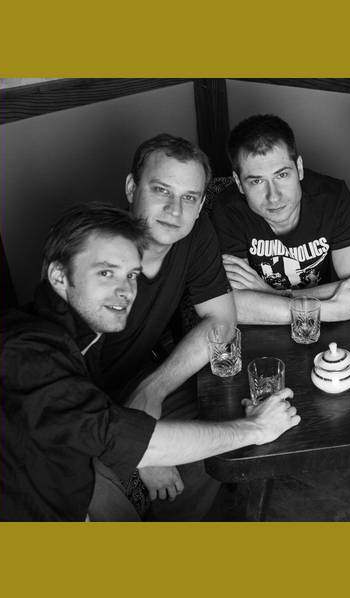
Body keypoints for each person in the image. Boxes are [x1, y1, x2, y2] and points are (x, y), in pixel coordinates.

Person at [0, 205, 300, 521]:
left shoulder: (80, 334)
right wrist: (256, 428)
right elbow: (129, 441)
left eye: (131, 275)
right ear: (59, 276)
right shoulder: (26, 355)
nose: (126, 291)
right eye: (105, 273)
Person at [97, 134, 237, 518]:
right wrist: (141, 445)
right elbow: (60, 388)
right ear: (131, 189)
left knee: (221, 426)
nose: (175, 210)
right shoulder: (92, 250)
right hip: (81, 398)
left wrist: (152, 390)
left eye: (189, 197)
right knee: (87, 488)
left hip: (139, 376)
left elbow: (222, 321)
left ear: (201, 205)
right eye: (161, 190)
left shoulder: (196, 234)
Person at [212, 114, 350, 324]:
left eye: (282, 175)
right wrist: (323, 310)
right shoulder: (228, 209)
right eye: (257, 181)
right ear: (239, 183)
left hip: (313, 329)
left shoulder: (332, 197)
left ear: (299, 168)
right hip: (270, 330)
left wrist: (272, 294)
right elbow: (233, 307)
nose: (273, 196)